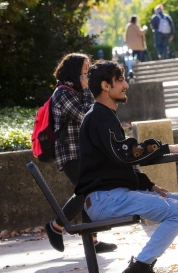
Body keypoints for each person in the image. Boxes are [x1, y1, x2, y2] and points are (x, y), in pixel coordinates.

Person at [74, 60, 178, 272]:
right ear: (105, 86)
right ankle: (140, 266)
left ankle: (142, 265)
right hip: (106, 199)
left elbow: (115, 164)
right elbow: (126, 154)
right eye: (120, 80)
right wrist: (165, 147)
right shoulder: (100, 117)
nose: (126, 85)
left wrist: (150, 186)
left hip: (109, 196)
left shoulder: (103, 115)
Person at [44, 53, 118, 254]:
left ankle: (91, 241)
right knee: (86, 191)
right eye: (84, 71)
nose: (86, 75)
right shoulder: (62, 93)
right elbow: (85, 114)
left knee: (91, 193)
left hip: (83, 152)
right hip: (70, 153)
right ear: (74, 71)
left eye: (87, 71)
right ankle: (56, 226)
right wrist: (87, 90)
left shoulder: (75, 91)